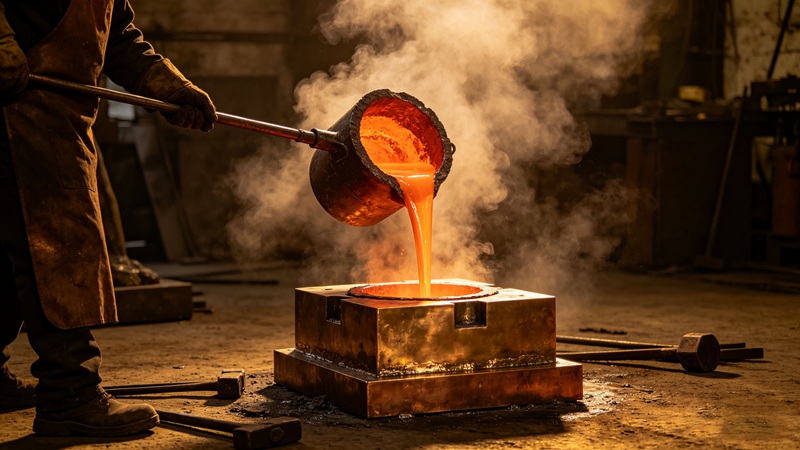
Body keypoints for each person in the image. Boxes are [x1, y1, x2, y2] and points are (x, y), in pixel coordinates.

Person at [0, 0, 216, 437]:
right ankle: (70, 396)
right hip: (12, 108)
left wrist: (169, 87)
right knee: (61, 253)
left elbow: (117, 36)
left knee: (10, 258)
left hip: (59, 116)